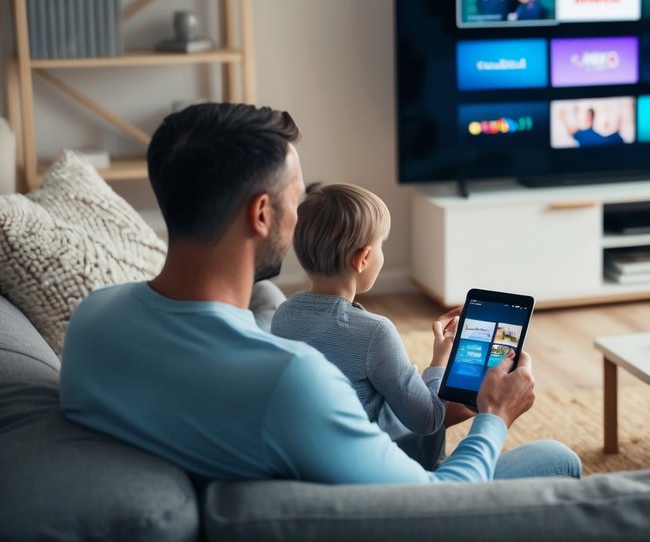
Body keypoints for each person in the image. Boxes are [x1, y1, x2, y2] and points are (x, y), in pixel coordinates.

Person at [60, 103, 580, 483]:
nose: (299, 216)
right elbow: (439, 499)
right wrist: (493, 417)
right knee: (558, 458)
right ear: (262, 215)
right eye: (296, 200)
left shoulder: (92, 320)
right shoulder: (288, 380)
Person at [270, 182, 461, 468]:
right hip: (356, 464)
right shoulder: (374, 333)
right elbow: (427, 420)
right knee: (436, 402)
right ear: (363, 259)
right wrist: (439, 360)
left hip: (302, 455)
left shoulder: (283, 314)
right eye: (381, 245)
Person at [558, 105, 625, 148]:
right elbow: (570, 131)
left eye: (589, 115)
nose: (587, 117)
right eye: (587, 115)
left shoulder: (595, 133)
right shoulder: (581, 133)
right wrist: (563, 118)